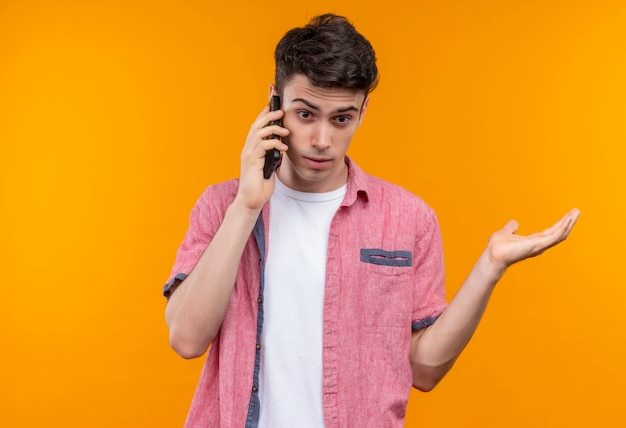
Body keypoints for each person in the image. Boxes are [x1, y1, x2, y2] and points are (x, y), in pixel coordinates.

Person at [163, 13, 579, 428]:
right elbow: (186, 338)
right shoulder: (222, 206)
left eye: (341, 118)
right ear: (274, 102)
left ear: (363, 111)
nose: (322, 140)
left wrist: (490, 267)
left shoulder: (407, 218)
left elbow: (425, 370)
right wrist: (247, 206)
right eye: (305, 114)